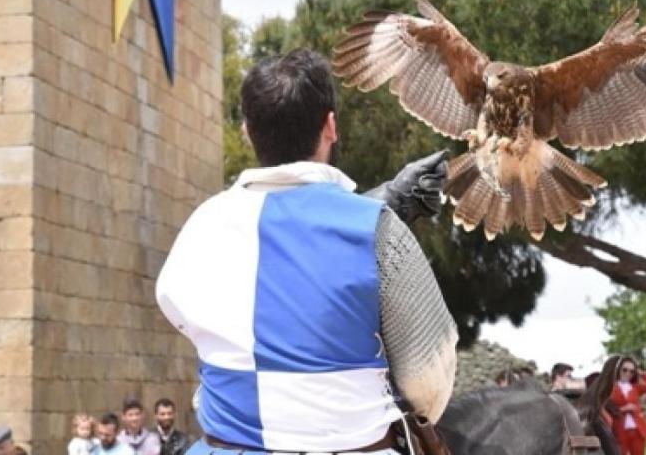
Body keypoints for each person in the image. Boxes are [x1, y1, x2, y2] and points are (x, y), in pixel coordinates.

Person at [156, 49, 458, 454]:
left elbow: (178, 310)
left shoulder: (203, 224)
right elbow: (429, 380)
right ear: (331, 126)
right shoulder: (380, 229)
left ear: (247, 131)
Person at [605, 356, 646, 455]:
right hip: (619, 429)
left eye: (632, 371)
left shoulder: (635, 387)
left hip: (637, 430)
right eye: (625, 370)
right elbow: (606, 408)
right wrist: (623, 409)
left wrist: (642, 374)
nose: (628, 373)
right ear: (618, 370)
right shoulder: (610, 388)